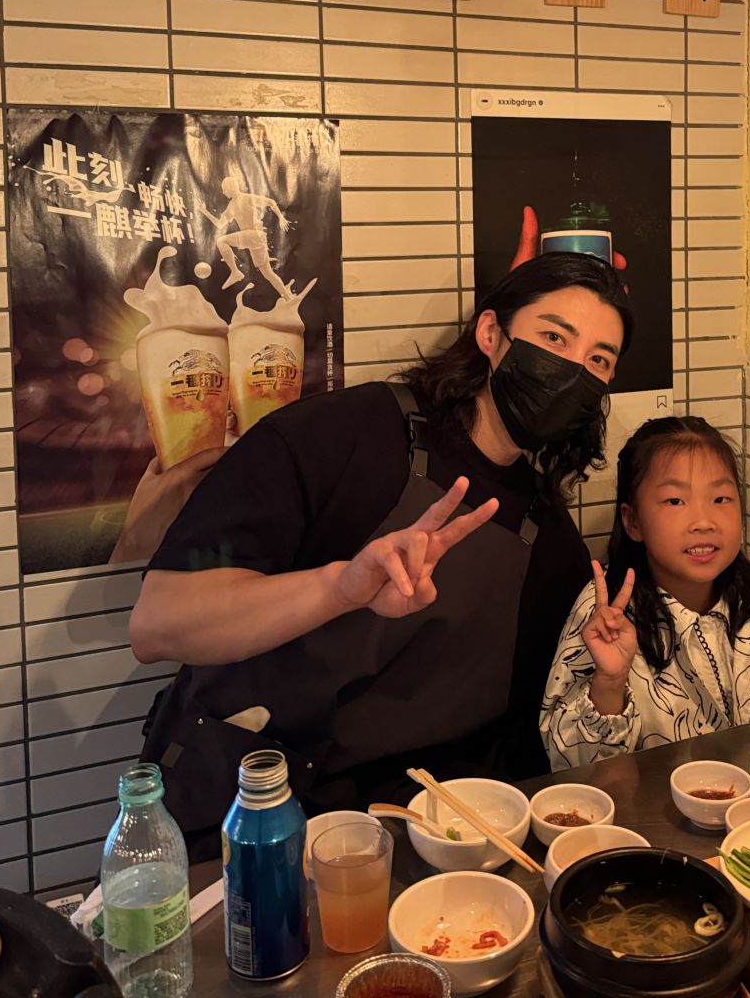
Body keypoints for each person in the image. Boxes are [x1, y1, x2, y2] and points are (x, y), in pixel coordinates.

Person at [129, 253, 632, 857]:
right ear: (492, 335)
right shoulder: (341, 435)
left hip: (418, 842)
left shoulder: (549, 539)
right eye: (554, 337)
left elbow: (549, 722)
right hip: (243, 818)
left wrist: (731, 584)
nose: (570, 369)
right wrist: (340, 586)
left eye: (598, 360)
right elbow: (157, 624)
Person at [541, 415, 750, 770]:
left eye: (721, 498)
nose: (704, 521)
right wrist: (610, 683)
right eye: (675, 502)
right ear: (633, 521)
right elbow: (570, 765)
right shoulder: (605, 615)